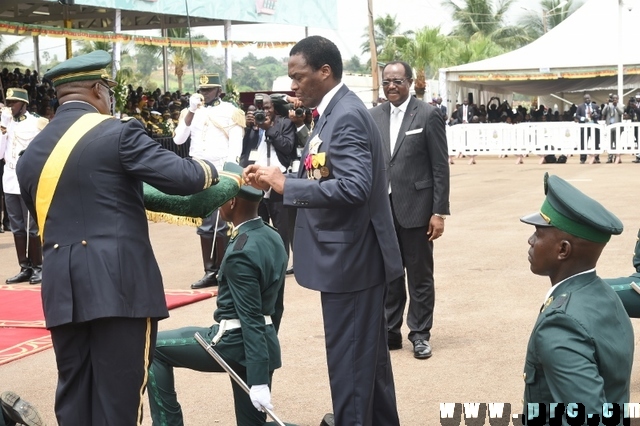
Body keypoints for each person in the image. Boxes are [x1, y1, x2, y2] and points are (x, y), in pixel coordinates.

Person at [16, 50, 219, 425]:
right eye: (109, 91)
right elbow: (184, 179)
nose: (111, 100)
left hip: (62, 288)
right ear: (97, 90)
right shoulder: (118, 133)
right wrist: (214, 168)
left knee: (75, 396)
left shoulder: (29, 157)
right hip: (119, 286)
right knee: (119, 402)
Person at [243, 35, 403, 426]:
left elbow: (353, 187)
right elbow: (323, 171)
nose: (292, 86)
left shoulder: (345, 114)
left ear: (325, 72)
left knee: (350, 370)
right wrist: (279, 178)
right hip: (349, 260)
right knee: (370, 370)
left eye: (298, 77)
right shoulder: (331, 112)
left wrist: (286, 187)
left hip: (351, 263)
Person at [147, 163, 293, 426]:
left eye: (219, 197)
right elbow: (276, 307)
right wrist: (266, 352)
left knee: (153, 347)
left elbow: (249, 318)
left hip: (234, 343)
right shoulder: (272, 236)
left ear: (232, 201)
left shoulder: (241, 251)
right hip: (262, 343)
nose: (217, 204)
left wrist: (258, 379)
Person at [520, 173, 634, 424]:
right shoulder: (606, 294)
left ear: (563, 250)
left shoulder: (561, 323)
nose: (530, 240)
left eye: (539, 234)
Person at [369, 61, 450, 359]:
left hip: (417, 210)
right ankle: (390, 332)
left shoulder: (428, 115)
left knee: (419, 275)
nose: (391, 86)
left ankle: (420, 333)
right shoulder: (373, 116)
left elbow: (440, 167)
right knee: (388, 274)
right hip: (382, 210)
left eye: (397, 81)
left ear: (410, 82)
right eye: (387, 81)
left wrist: (439, 212)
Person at [173, 73, 244, 289]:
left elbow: (235, 144)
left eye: (208, 90)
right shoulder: (191, 112)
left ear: (218, 91)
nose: (203, 93)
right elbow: (178, 139)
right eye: (202, 90)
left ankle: (223, 270)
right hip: (198, 170)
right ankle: (212, 270)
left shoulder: (231, 111)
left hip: (220, 170)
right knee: (207, 224)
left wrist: (230, 173)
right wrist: (191, 111)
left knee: (222, 223)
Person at [0, 88, 47, 284]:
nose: (10, 107)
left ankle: (38, 267)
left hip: (28, 181)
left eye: (14, 103)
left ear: (24, 104)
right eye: (8, 103)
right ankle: (24, 267)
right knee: (17, 227)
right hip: (10, 181)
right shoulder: (7, 124)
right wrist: (3, 128)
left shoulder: (37, 123)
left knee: (32, 228)